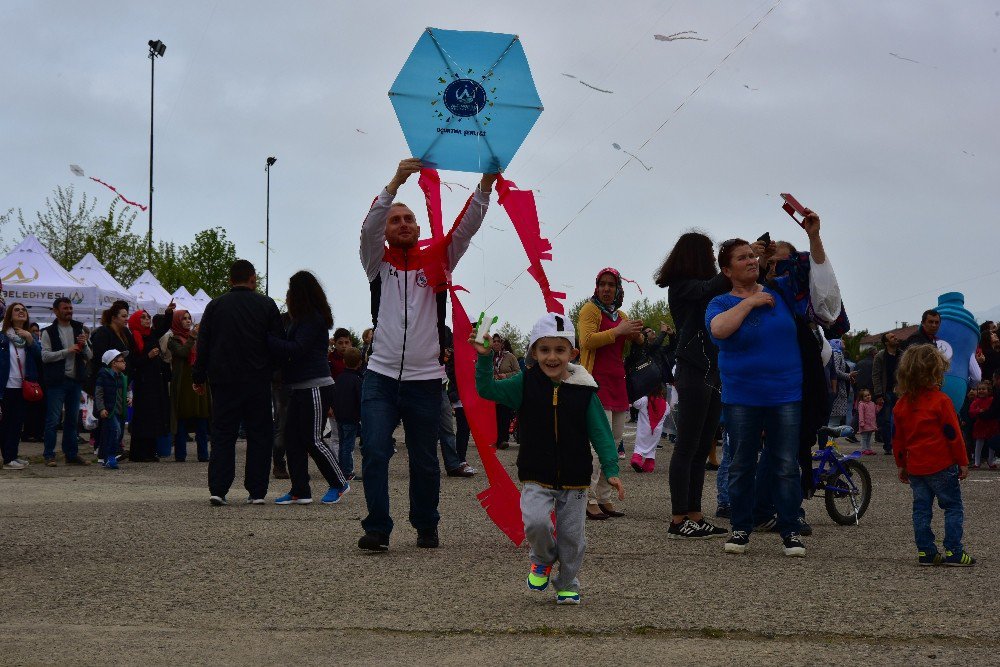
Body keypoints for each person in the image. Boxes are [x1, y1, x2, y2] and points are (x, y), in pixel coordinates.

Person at [357, 157, 495, 551]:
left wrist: (485, 185)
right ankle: (378, 529)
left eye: (409, 219)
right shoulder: (375, 262)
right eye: (395, 219)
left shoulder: (437, 259)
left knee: (424, 460)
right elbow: (367, 227)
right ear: (385, 230)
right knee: (375, 453)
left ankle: (426, 525)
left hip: (425, 380)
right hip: (380, 377)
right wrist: (395, 183)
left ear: (418, 228)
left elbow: (464, 230)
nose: (402, 223)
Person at [474, 312, 624, 605]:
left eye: (559, 349)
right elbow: (486, 389)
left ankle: (568, 582)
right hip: (535, 474)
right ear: (533, 352)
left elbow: (601, 433)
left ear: (573, 353)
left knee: (572, 538)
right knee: (535, 524)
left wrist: (611, 467)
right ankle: (542, 559)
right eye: (544, 349)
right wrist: (482, 358)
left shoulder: (584, 391)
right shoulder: (523, 384)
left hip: (575, 478)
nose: (552, 357)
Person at [708, 209, 829, 558]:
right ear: (727, 270)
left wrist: (813, 236)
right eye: (741, 257)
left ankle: (790, 529)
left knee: (786, 463)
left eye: (752, 255)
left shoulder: (782, 291)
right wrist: (751, 302)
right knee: (742, 462)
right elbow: (719, 330)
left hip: (786, 394)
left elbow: (816, 277)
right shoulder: (720, 302)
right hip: (742, 397)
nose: (750, 260)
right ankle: (741, 528)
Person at [654, 232, 731, 538]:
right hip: (693, 369)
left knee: (701, 447)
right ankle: (677, 519)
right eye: (711, 252)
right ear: (697, 255)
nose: (713, 257)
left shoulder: (702, 288)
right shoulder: (684, 286)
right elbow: (712, 285)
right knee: (687, 447)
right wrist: (730, 266)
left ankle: (695, 514)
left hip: (711, 370)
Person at [193, 260, 284, 506]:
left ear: (230, 280)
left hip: (224, 380)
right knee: (259, 434)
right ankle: (256, 491)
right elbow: (276, 342)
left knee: (223, 433)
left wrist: (198, 376)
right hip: (257, 379)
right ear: (253, 278)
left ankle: (219, 489)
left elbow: (204, 343)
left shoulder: (215, 306)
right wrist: (275, 371)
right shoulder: (266, 305)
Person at [267, 270, 350, 505]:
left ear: (298, 293)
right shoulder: (300, 320)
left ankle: (339, 482)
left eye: (290, 291)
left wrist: (269, 340)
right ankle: (300, 489)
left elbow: (297, 348)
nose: (287, 295)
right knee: (293, 438)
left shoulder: (313, 319)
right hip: (299, 387)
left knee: (313, 438)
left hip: (315, 386)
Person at [892, 344, 975, 566]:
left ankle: (926, 552)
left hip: (916, 468)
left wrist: (901, 464)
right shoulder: (942, 401)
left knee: (921, 510)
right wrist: (963, 461)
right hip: (941, 465)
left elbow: (897, 438)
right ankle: (954, 552)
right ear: (936, 372)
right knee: (952, 506)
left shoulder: (901, 405)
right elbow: (953, 435)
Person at [577, 267, 643, 520]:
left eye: (611, 285)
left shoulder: (620, 314)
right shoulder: (589, 310)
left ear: (618, 289)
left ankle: (604, 496)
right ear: (596, 286)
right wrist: (618, 332)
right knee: (597, 445)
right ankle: (588, 497)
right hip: (595, 383)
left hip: (617, 382)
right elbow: (587, 341)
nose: (606, 289)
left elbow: (631, 341)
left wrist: (637, 336)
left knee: (614, 444)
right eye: (602, 284)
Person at [41, 297, 93, 466]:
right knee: (53, 420)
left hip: (75, 380)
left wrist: (84, 345)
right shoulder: (48, 331)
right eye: (65, 308)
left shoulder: (79, 328)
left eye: (70, 308)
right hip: (57, 381)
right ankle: (49, 455)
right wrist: (67, 351)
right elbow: (45, 356)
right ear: (56, 311)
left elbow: (90, 356)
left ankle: (71, 454)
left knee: (72, 419)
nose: (69, 311)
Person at [127, 307, 174, 462]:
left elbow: (165, 326)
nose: (147, 320)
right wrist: (148, 356)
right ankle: (138, 453)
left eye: (148, 317)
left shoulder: (151, 334)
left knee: (153, 416)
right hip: (143, 382)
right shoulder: (134, 337)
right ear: (136, 321)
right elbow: (133, 362)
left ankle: (150, 451)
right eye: (143, 317)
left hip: (155, 381)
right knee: (143, 417)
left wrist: (168, 313)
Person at [1, 302, 42, 469]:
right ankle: (9, 458)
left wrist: (31, 338)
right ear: (10, 315)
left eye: (23, 310)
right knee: (6, 424)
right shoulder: (3, 336)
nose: (21, 312)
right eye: (16, 310)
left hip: (23, 386)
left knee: (17, 423)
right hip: (5, 386)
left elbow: (40, 357)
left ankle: (12, 455)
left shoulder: (29, 337)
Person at [168, 310, 211, 462]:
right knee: (181, 418)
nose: (187, 321)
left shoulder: (197, 339)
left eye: (189, 318)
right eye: (184, 319)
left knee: (201, 417)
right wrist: (192, 337)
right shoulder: (173, 340)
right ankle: (180, 455)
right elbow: (182, 352)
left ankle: (203, 454)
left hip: (198, 381)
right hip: (182, 384)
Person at [437, 347, 476, 477]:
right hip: (457, 396)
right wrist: (454, 394)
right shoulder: (454, 349)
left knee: (459, 429)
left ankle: (457, 462)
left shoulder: (477, 350)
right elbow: (450, 372)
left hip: (467, 395)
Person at [331, 346, 363, 480]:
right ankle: (347, 472)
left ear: (344, 361)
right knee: (348, 446)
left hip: (339, 416)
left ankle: (340, 469)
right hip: (351, 418)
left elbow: (334, 396)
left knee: (342, 443)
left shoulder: (339, 378)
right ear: (360, 362)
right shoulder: (357, 380)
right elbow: (360, 399)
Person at [94, 349, 128, 470]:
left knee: (115, 434)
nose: (124, 363)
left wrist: (128, 398)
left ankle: (105, 457)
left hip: (120, 411)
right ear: (113, 363)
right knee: (115, 432)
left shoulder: (122, 377)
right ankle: (111, 457)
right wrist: (101, 408)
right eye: (122, 361)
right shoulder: (103, 376)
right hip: (110, 411)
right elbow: (98, 394)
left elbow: (126, 391)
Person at [873, 332, 902, 454]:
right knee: (887, 420)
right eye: (892, 337)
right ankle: (888, 445)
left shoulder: (903, 354)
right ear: (886, 343)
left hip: (901, 392)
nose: (895, 337)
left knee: (900, 419)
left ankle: (900, 444)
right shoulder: (880, 356)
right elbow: (876, 376)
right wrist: (879, 394)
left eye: (895, 336)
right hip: (887, 392)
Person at [490, 334, 520, 450]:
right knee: (493, 416)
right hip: (492, 391)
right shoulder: (488, 356)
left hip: (505, 391)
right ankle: (494, 440)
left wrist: (505, 375)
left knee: (504, 416)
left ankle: (503, 440)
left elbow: (518, 372)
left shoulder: (510, 356)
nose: (496, 343)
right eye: (494, 341)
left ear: (502, 343)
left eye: (498, 341)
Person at [630, 386, 669, 473]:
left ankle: (636, 459)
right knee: (652, 448)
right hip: (656, 431)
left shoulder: (644, 400)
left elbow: (635, 403)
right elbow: (667, 412)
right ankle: (649, 465)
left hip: (643, 429)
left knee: (640, 445)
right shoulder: (665, 404)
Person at [20, 321, 46, 443]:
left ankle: (32, 433)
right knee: (31, 410)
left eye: (37, 331)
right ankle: (29, 433)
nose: (36, 333)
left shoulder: (35, 343)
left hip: (36, 380)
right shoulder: (26, 342)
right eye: (34, 330)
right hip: (30, 379)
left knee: (35, 410)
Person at [968, 381, 998, 469]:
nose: (981, 391)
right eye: (979, 389)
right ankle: (977, 462)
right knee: (979, 443)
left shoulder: (992, 400)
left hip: (991, 424)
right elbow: (971, 412)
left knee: (991, 444)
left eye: (983, 389)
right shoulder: (976, 401)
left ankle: (991, 461)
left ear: (988, 391)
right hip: (980, 424)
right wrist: (979, 411)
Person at [857, 389, 879, 455]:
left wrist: (880, 406)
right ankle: (863, 449)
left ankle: (869, 449)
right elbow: (861, 414)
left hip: (871, 424)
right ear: (862, 398)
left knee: (869, 437)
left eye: (869, 395)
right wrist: (861, 422)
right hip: (864, 424)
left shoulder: (872, 403)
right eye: (865, 396)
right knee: (864, 438)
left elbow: (876, 411)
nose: (868, 397)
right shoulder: (861, 404)